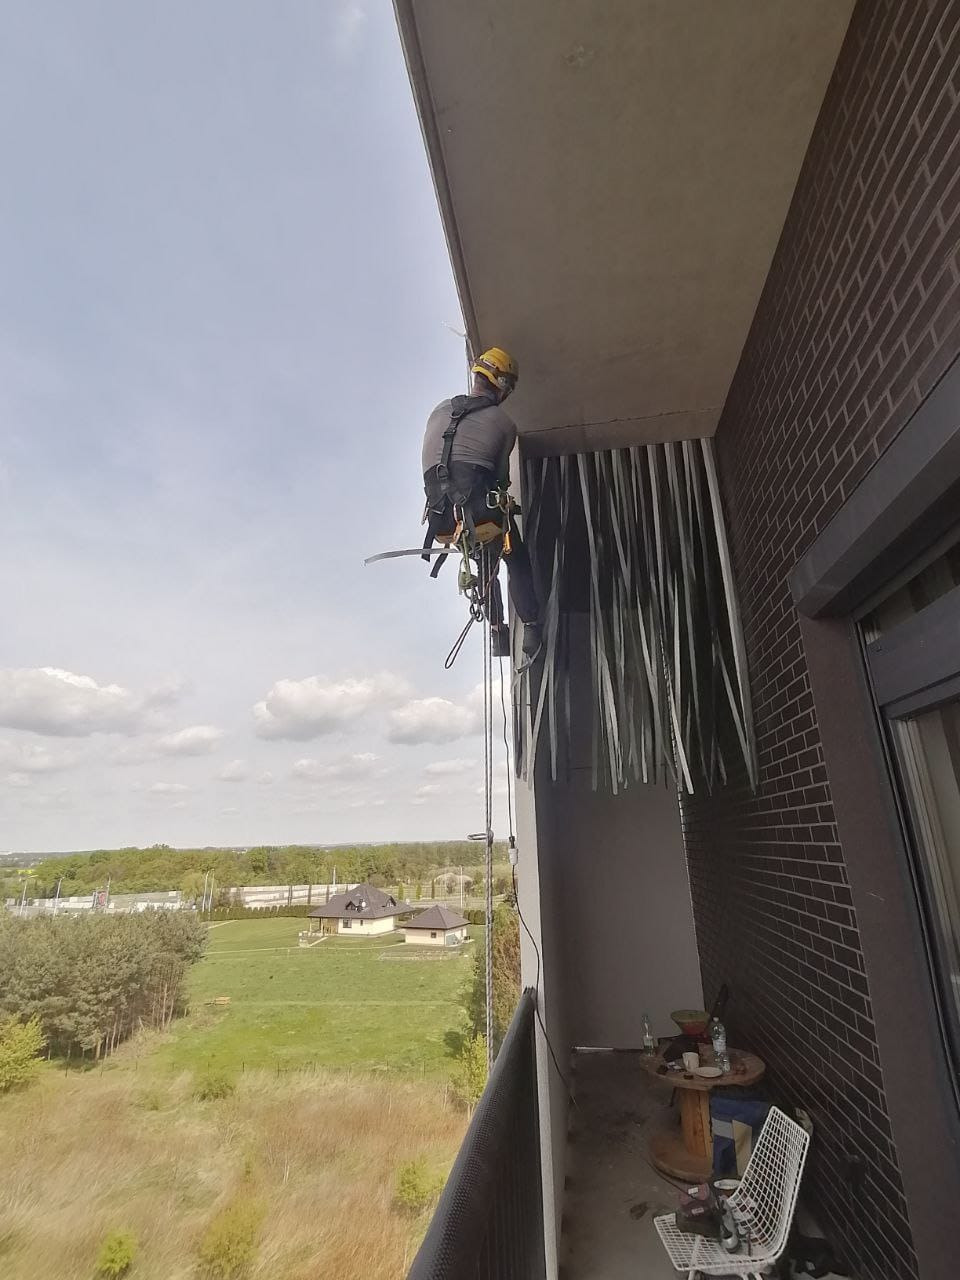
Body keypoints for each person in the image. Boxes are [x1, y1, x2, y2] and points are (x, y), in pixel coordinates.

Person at [421, 347, 540, 663]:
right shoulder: (504, 423)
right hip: (482, 516)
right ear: (501, 383)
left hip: (443, 523)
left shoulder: (439, 410)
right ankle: (531, 626)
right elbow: (501, 481)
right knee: (514, 556)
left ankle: (498, 631)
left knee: (485, 562)